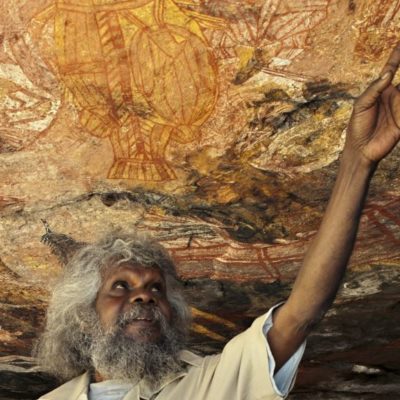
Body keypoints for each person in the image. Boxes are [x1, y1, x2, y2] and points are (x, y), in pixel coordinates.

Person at [35, 44, 400, 400]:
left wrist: (357, 161)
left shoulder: (212, 384)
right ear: (84, 317)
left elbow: (301, 314)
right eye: (120, 286)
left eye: (157, 288)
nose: (144, 296)